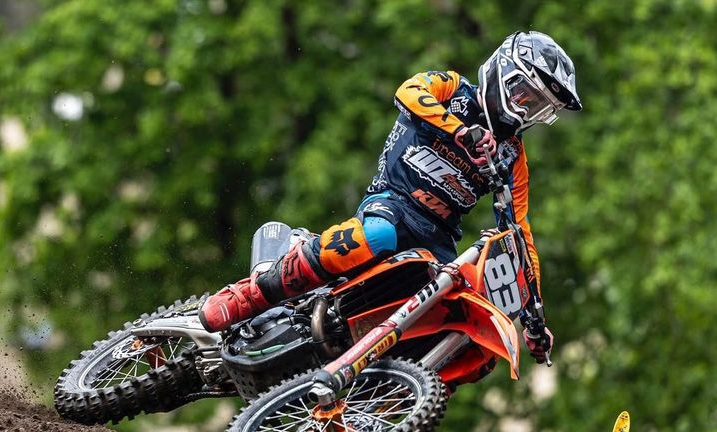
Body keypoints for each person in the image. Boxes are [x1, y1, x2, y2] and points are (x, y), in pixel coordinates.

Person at [199, 31, 582, 363]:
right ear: (503, 72)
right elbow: (409, 92)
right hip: (394, 203)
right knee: (379, 235)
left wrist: (534, 315)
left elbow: (519, 232)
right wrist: (460, 131)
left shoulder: (513, 156)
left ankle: (384, 396)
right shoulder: (453, 89)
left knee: (462, 317)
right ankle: (252, 294)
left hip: (438, 238)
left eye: (538, 107)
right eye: (525, 95)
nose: (526, 111)